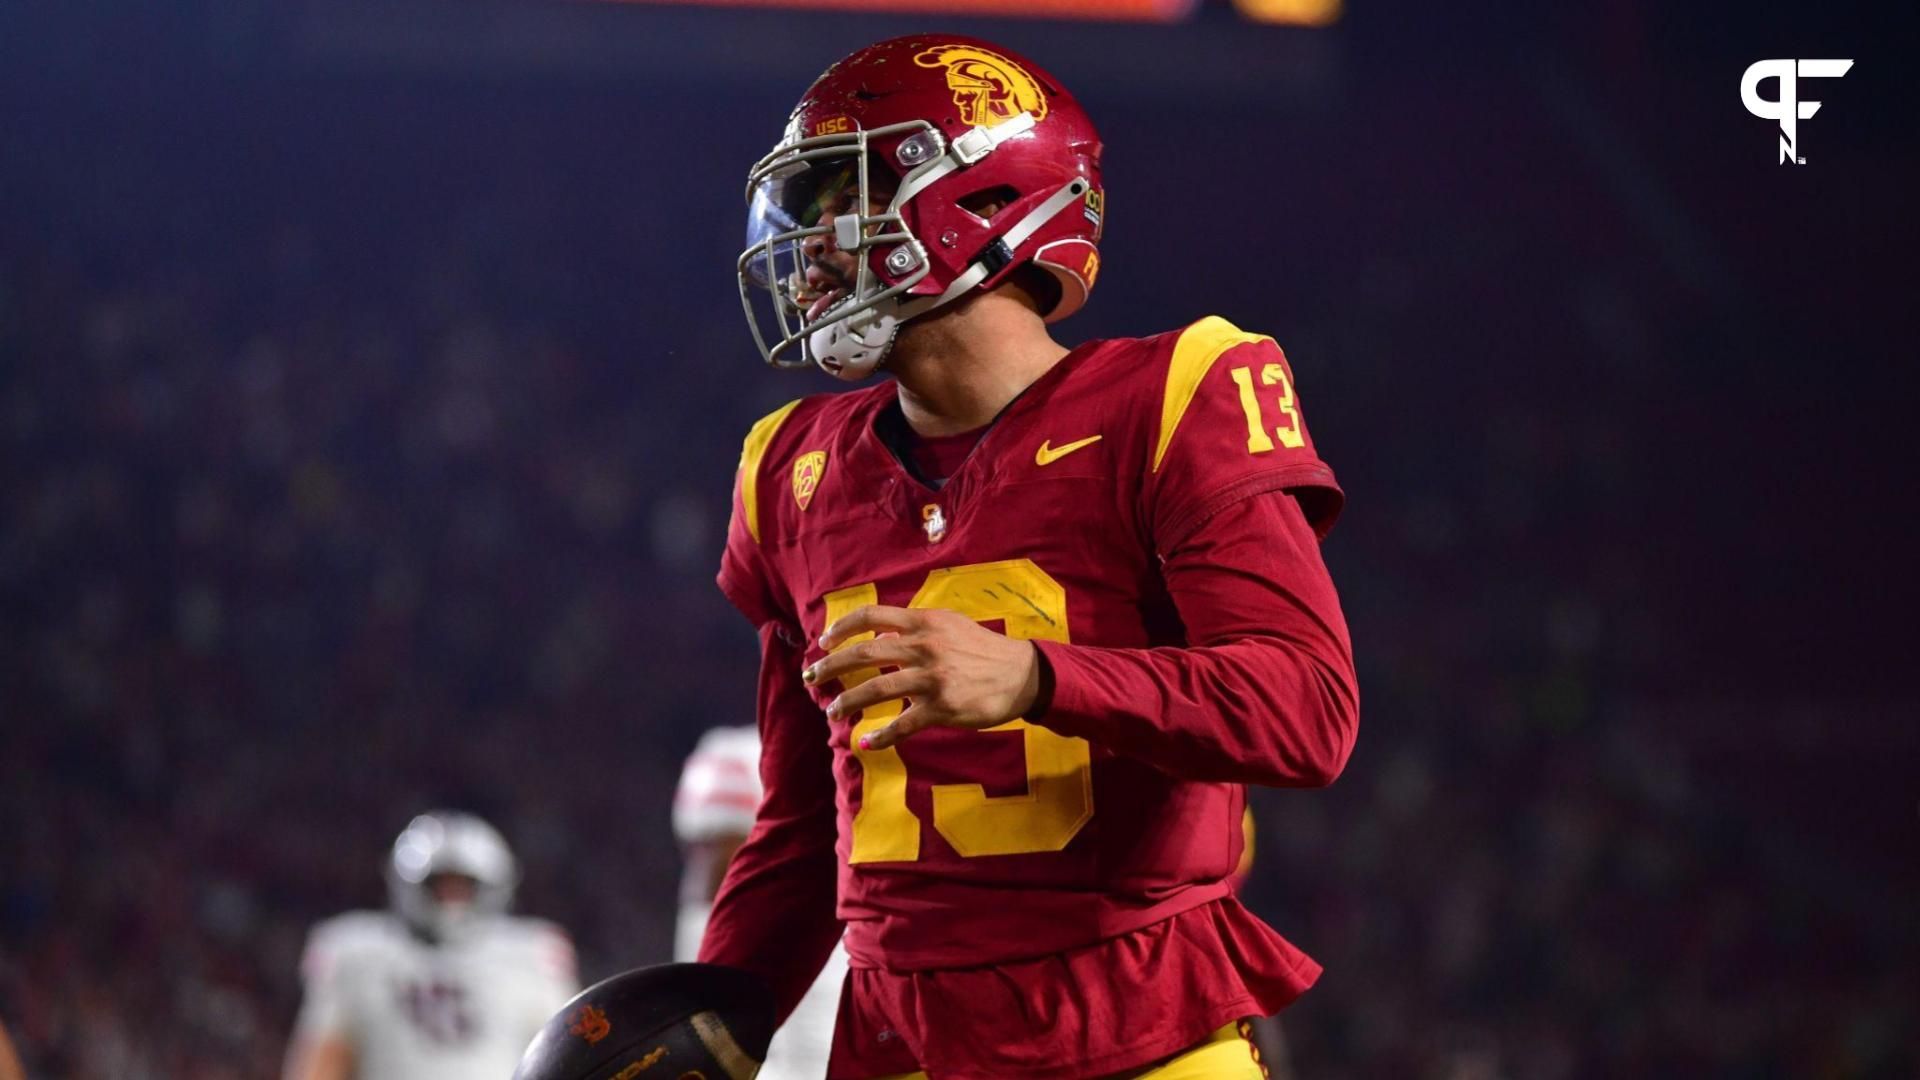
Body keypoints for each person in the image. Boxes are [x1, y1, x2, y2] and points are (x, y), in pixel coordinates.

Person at [709, 33, 1358, 1079]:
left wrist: (1036, 675)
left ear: (978, 196)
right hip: (897, 1045)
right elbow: (801, 834)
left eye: (842, 195)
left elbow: (1306, 711)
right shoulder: (789, 466)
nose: (809, 244)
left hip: (1132, 1032)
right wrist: (714, 1024)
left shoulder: (1174, 396)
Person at [282, 811, 578, 1080]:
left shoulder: (532, 954)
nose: (451, 898)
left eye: (463, 886)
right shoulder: (357, 953)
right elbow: (325, 1057)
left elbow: (568, 1058)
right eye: (440, 885)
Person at [675, 725, 848, 1078]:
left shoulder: (823, 932)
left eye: (727, 847)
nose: (707, 874)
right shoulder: (703, 916)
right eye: (699, 849)